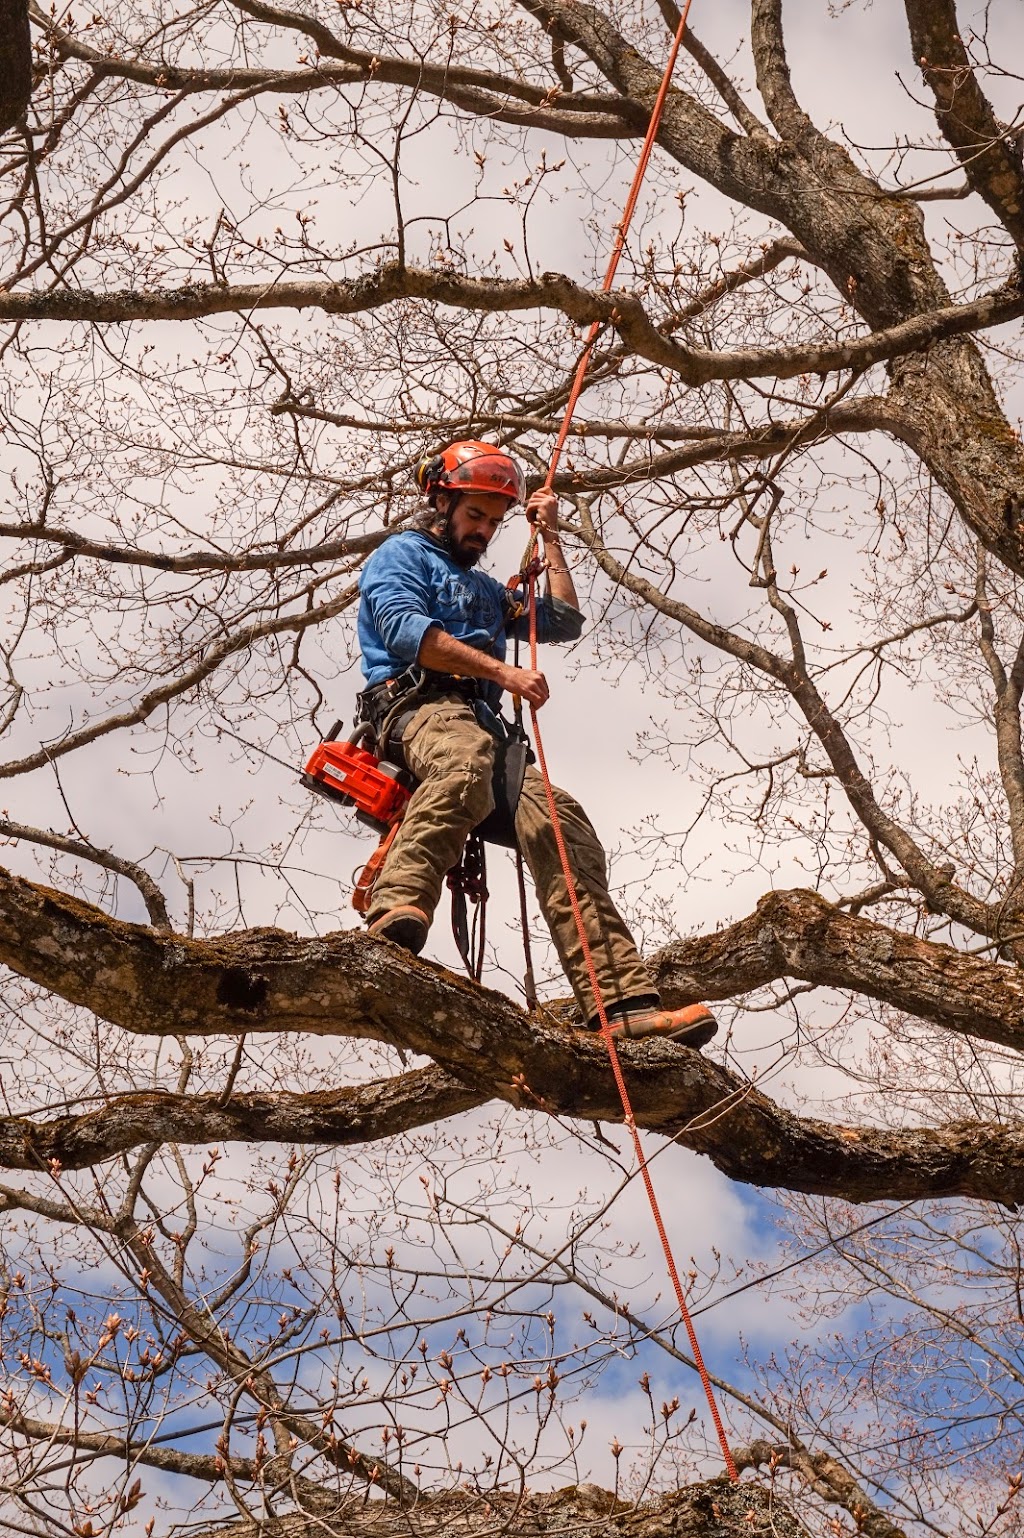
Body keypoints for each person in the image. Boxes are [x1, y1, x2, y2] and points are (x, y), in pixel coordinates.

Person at [355, 440, 717, 1047]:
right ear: (440, 502)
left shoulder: (490, 592)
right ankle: (397, 907)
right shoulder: (402, 556)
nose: (484, 531)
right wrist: (503, 674)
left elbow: (562, 619)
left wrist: (549, 537)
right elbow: (407, 633)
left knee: (559, 820)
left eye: (495, 522)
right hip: (417, 708)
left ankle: (619, 1002)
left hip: (482, 729)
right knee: (464, 761)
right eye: (475, 516)